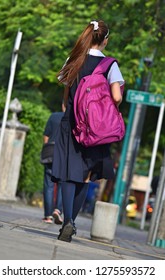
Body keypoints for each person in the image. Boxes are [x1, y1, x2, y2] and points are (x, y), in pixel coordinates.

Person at [51, 20, 124, 242]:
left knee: (66, 173)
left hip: (70, 122)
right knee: (86, 175)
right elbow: (117, 96)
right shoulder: (110, 65)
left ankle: (67, 222)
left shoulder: (74, 59)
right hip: (96, 129)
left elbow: (65, 88)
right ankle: (72, 220)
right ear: (105, 40)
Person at [42, 107, 65, 224]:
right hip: (65, 156)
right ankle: (57, 210)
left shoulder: (54, 116)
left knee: (49, 185)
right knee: (62, 184)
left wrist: (46, 150)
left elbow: (46, 136)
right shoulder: (75, 119)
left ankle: (48, 216)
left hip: (51, 153)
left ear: (62, 105)